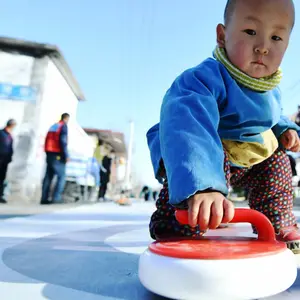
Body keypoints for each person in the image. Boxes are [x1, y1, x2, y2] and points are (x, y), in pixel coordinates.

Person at [146, 0, 300, 253]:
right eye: (251, 32)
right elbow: (189, 124)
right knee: (196, 175)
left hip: (250, 159)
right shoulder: (203, 79)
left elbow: (272, 114)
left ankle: (278, 220)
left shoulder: (270, 88)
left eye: (276, 37)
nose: (263, 47)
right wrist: (204, 185)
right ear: (222, 35)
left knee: (277, 161)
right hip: (209, 158)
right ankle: (175, 218)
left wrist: (284, 129)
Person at [41, 113, 70, 204]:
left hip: (49, 153)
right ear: (66, 118)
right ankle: (56, 198)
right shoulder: (63, 126)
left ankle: (44, 198)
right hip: (57, 153)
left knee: (48, 176)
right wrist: (66, 155)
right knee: (61, 176)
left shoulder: (54, 126)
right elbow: (63, 141)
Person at [0, 119, 16, 203]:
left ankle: (1, 195)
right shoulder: (2, 133)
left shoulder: (9, 135)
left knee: (2, 178)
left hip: (5, 159)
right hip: (1, 158)